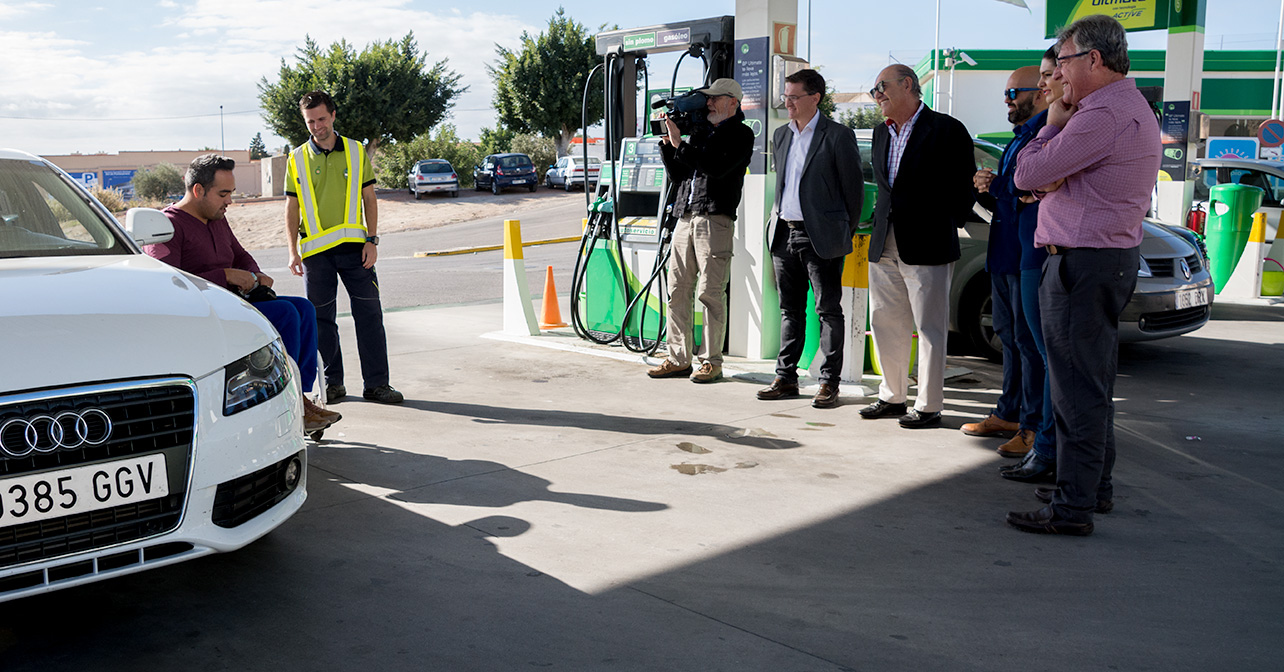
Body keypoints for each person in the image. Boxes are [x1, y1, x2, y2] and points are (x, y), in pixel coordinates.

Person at [1008, 15, 1161, 535]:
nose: (1060, 77)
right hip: (1097, 260)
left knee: (1075, 390)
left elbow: (1026, 175)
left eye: (1065, 62)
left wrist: (1050, 126)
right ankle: (1092, 489)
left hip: (1083, 263)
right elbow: (1041, 185)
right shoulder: (1121, 108)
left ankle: (1073, 507)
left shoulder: (1099, 116)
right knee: (1087, 384)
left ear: (1094, 59)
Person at [146, 154, 340, 433]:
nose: (230, 201)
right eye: (223, 194)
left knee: (304, 309)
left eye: (231, 193)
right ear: (198, 190)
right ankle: (288, 400)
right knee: (285, 313)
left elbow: (240, 255)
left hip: (235, 304)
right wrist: (223, 276)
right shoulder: (169, 226)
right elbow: (167, 283)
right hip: (206, 316)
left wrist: (255, 273)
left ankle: (301, 395)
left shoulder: (216, 218)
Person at [860, 65, 975, 429]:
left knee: (929, 328)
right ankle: (892, 396)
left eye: (881, 87)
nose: (876, 95)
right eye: (873, 90)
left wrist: (942, 223)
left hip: (928, 243)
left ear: (907, 85)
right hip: (885, 242)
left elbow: (964, 188)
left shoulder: (946, 129)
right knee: (885, 323)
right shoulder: (880, 133)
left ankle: (928, 406)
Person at [756, 68, 864, 409]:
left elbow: (854, 193)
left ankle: (829, 382)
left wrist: (838, 234)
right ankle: (786, 377)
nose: (787, 102)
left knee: (828, 310)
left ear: (814, 98)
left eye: (793, 97)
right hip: (783, 233)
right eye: (785, 96)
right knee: (790, 309)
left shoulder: (837, 135)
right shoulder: (781, 135)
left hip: (821, 238)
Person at [286, 90, 402, 405]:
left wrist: (372, 240)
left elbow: (369, 199)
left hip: (356, 250)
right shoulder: (296, 158)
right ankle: (332, 384)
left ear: (333, 115)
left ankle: (377, 385)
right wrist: (293, 251)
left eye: (321, 119)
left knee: (370, 316)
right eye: (310, 121)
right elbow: (292, 207)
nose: (316, 126)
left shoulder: (355, 151)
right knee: (322, 322)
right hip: (315, 255)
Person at [964, 65, 1048, 457]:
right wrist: (988, 188)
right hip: (1003, 252)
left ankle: (1033, 426)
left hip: (1026, 253)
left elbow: (1033, 190)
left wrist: (998, 185)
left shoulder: (1048, 133)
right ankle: (1009, 412)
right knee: (1009, 339)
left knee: (1029, 345)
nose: (1007, 100)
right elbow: (1014, 194)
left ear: (1039, 93)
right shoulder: (1021, 137)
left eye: (1013, 93)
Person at [647, 79, 755, 384]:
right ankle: (678, 358)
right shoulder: (699, 134)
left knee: (710, 292)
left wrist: (682, 144)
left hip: (714, 219)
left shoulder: (740, 135)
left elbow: (715, 168)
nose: (708, 104)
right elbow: (680, 175)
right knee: (677, 289)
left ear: (732, 102)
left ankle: (710, 361)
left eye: (714, 99)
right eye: (707, 99)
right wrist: (669, 146)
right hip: (685, 215)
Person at [998, 48, 1065, 485]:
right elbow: (1018, 184)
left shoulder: (1057, 127)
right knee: (1023, 343)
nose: (1043, 85)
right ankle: (1031, 430)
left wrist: (1025, 185)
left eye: (1047, 77)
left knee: (1047, 355)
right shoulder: (1033, 131)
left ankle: (1043, 441)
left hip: (1044, 255)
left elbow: (1033, 180)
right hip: (1020, 251)